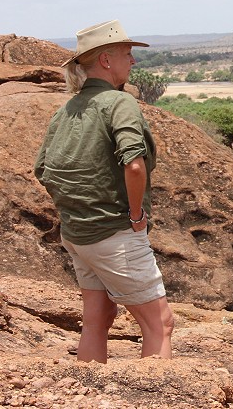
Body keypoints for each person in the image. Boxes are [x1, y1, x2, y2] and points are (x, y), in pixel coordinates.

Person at [34, 19, 174, 363]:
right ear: (107, 61)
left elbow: (43, 169)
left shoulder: (66, 109)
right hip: (114, 234)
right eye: (128, 54)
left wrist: (76, 209)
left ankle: (88, 391)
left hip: (78, 234)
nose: (134, 61)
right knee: (160, 323)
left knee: (97, 319)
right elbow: (135, 165)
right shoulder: (118, 102)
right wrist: (136, 214)